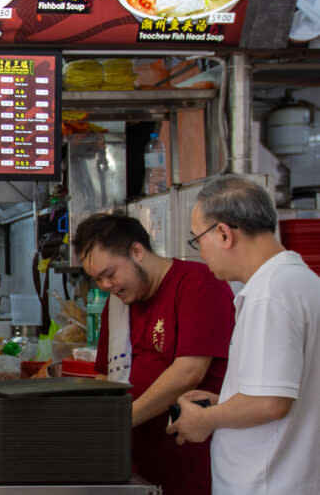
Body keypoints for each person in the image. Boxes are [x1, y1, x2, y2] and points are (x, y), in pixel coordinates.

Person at [167, 175, 320, 494]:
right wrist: (225, 402)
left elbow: (270, 403)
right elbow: (283, 390)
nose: (200, 253)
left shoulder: (270, 294)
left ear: (223, 233)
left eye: (197, 240)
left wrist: (207, 420)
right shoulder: (301, 281)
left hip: (267, 484)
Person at [72, 213, 235, 494]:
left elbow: (188, 372)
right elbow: (105, 377)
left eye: (110, 274)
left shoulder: (198, 283)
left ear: (137, 251)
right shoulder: (120, 303)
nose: (105, 287)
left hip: (192, 465)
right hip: (135, 468)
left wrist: (119, 422)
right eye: (96, 279)